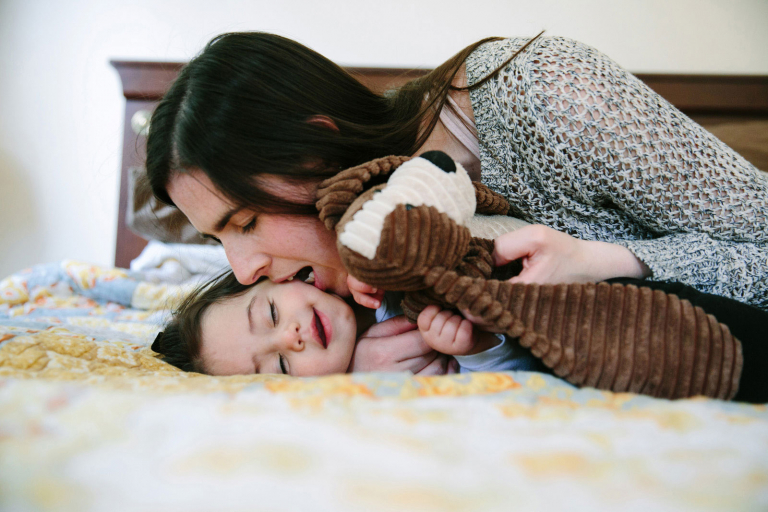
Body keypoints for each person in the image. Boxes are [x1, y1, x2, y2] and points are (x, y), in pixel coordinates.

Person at [144, 31, 768, 375]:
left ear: (315, 152)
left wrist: (610, 261)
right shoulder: (349, 291)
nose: (244, 270)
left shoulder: (547, 95)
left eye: (246, 221)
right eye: (217, 240)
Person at [152, 271, 541, 377]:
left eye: (271, 313)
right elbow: (519, 379)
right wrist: (478, 349)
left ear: (276, 277)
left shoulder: (378, 272)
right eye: (282, 366)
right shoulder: (379, 383)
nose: (291, 336)